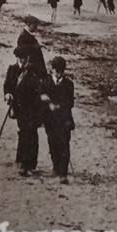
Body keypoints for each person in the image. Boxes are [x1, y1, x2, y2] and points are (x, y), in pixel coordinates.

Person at [3, 46, 42, 176]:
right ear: (17, 58)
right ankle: (21, 161)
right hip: (18, 106)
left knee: (31, 132)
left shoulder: (33, 70)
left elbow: (39, 88)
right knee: (23, 132)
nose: (23, 60)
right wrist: (8, 94)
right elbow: (7, 85)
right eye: (21, 58)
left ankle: (30, 163)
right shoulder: (12, 69)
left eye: (25, 58)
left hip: (32, 107)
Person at [42, 55, 74, 183]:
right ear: (52, 69)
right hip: (50, 119)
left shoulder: (68, 84)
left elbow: (70, 102)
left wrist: (59, 106)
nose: (59, 73)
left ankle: (63, 173)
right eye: (57, 70)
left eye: (61, 71)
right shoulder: (46, 82)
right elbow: (41, 95)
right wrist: (48, 103)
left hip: (64, 119)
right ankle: (56, 166)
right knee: (53, 143)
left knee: (65, 144)